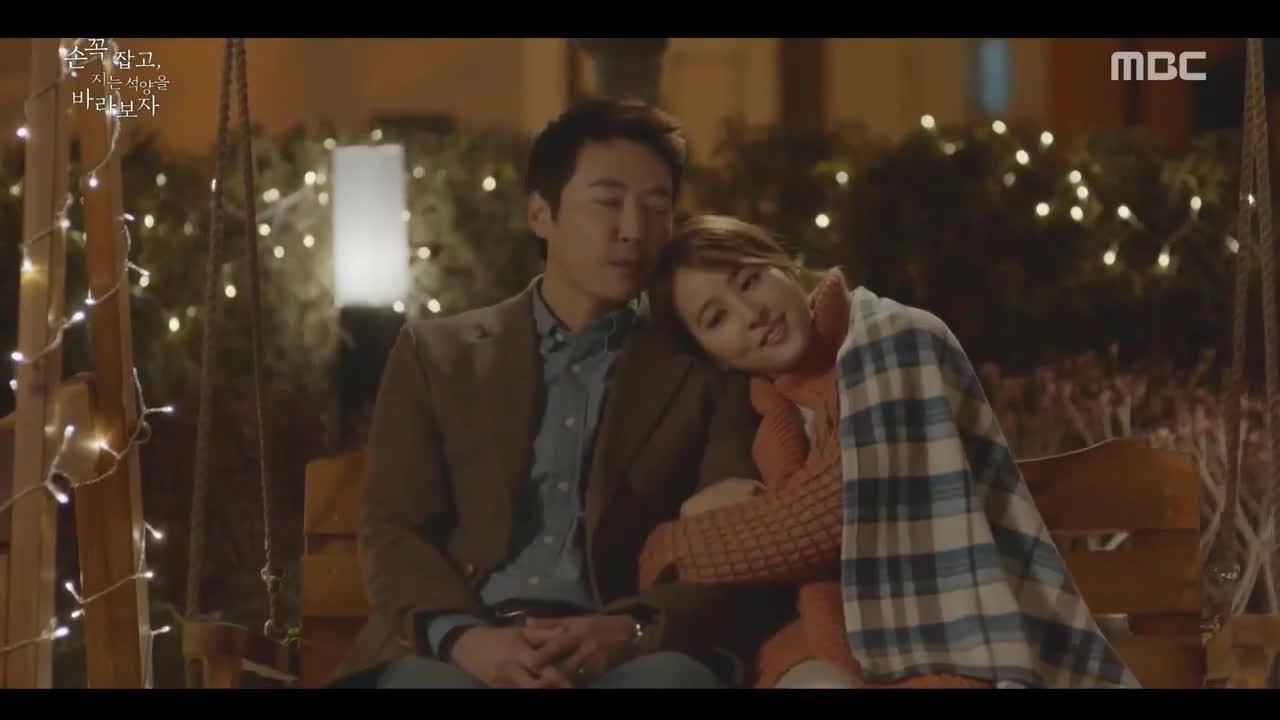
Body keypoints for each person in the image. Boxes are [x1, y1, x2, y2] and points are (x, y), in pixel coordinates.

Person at [328, 101, 783, 689]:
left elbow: (735, 543)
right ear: (541, 214)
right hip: (463, 649)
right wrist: (467, 641)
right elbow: (394, 529)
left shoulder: (702, 369)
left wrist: (630, 630)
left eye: (657, 207)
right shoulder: (439, 356)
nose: (634, 229)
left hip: (626, 652)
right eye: (608, 202)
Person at [635, 214, 1142, 690]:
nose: (751, 314)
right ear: (713, 357)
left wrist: (669, 548)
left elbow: (832, 513)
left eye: (749, 281)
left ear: (783, 267)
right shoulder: (769, 421)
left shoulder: (892, 338)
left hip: (953, 641)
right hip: (820, 643)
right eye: (717, 318)